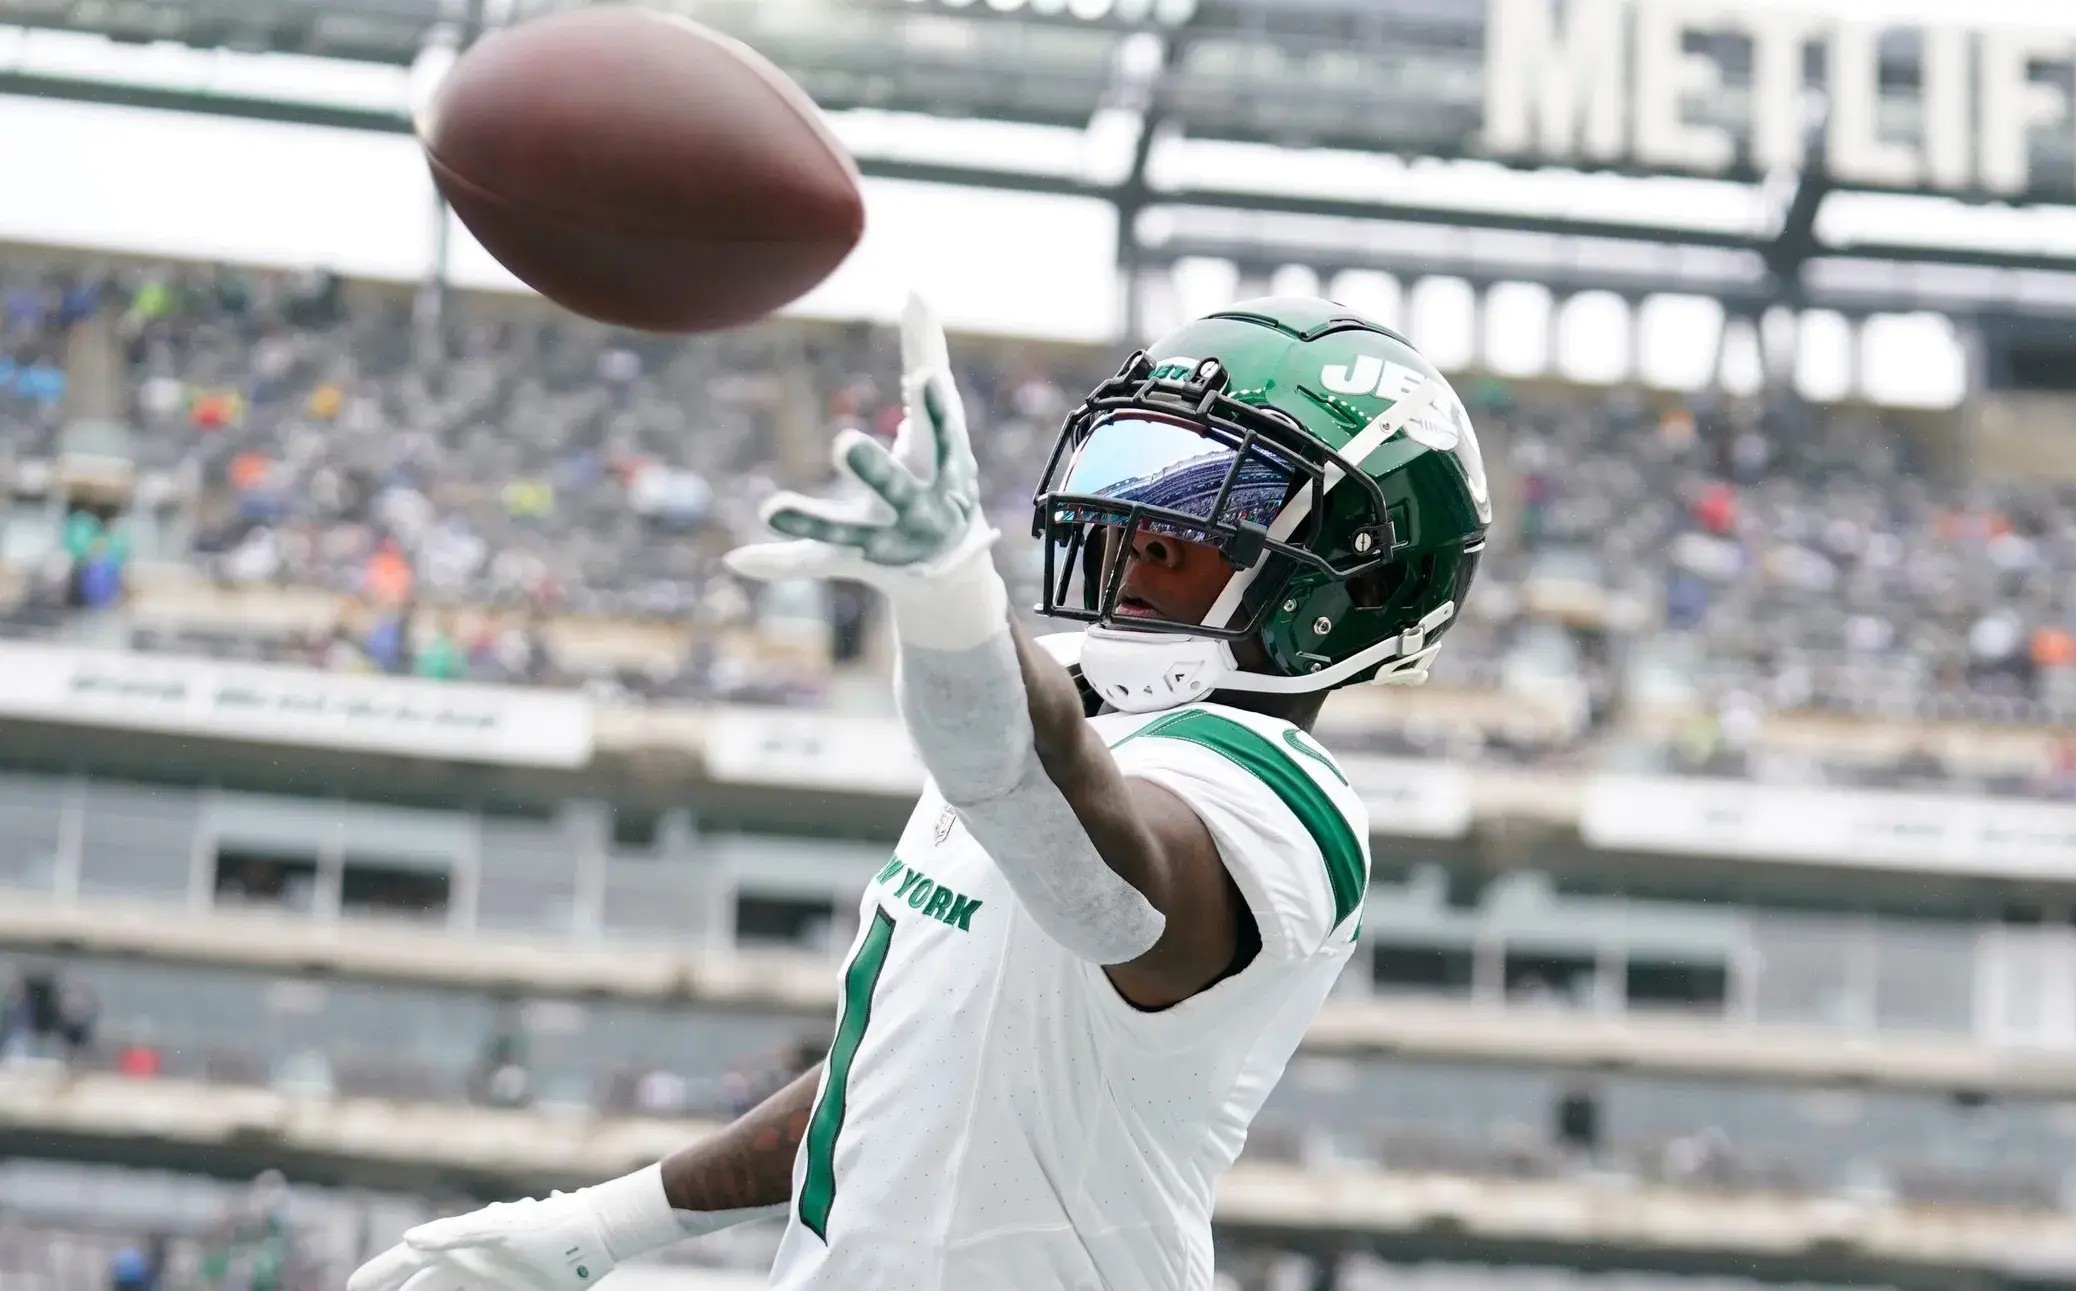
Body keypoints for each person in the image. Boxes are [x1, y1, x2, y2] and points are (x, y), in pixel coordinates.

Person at [346, 296, 1488, 1291]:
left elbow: (1104, 887)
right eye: (1135, 483)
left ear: (1352, 583)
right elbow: (897, 1061)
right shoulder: (1061, 734)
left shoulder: (1280, 797)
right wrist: (604, 1224)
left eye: (1203, 509)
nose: (1138, 533)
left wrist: (957, 612)